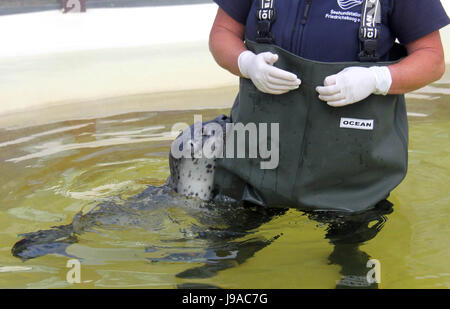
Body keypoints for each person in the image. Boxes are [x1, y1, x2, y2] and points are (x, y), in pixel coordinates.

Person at [208, 0, 449, 212]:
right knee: (222, 256)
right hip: (254, 170)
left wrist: (377, 79)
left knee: (351, 257)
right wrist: (246, 62)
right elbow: (223, 32)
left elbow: (432, 58)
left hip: (355, 186)